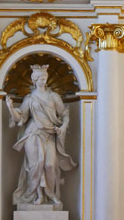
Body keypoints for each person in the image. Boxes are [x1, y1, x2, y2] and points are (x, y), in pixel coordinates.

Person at [5, 64, 77, 206]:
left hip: (49, 134)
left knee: (50, 165)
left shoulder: (53, 97)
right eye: (40, 79)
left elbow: (64, 114)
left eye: (45, 78)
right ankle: (38, 196)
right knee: (36, 165)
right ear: (34, 80)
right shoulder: (30, 98)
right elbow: (21, 118)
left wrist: (63, 127)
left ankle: (51, 194)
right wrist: (10, 108)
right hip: (33, 134)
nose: (43, 81)